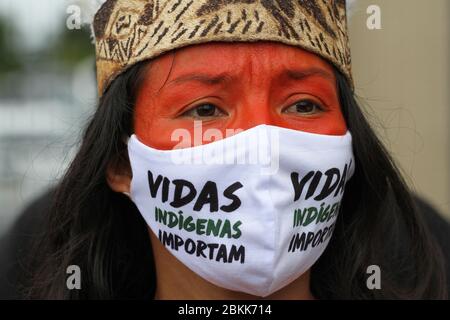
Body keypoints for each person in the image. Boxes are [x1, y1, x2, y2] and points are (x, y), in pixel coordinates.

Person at [10, 0, 449, 299]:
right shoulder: (24, 252)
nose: (262, 145)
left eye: (303, 104)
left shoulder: (431, 251)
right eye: (204, 109)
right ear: (121, 161)